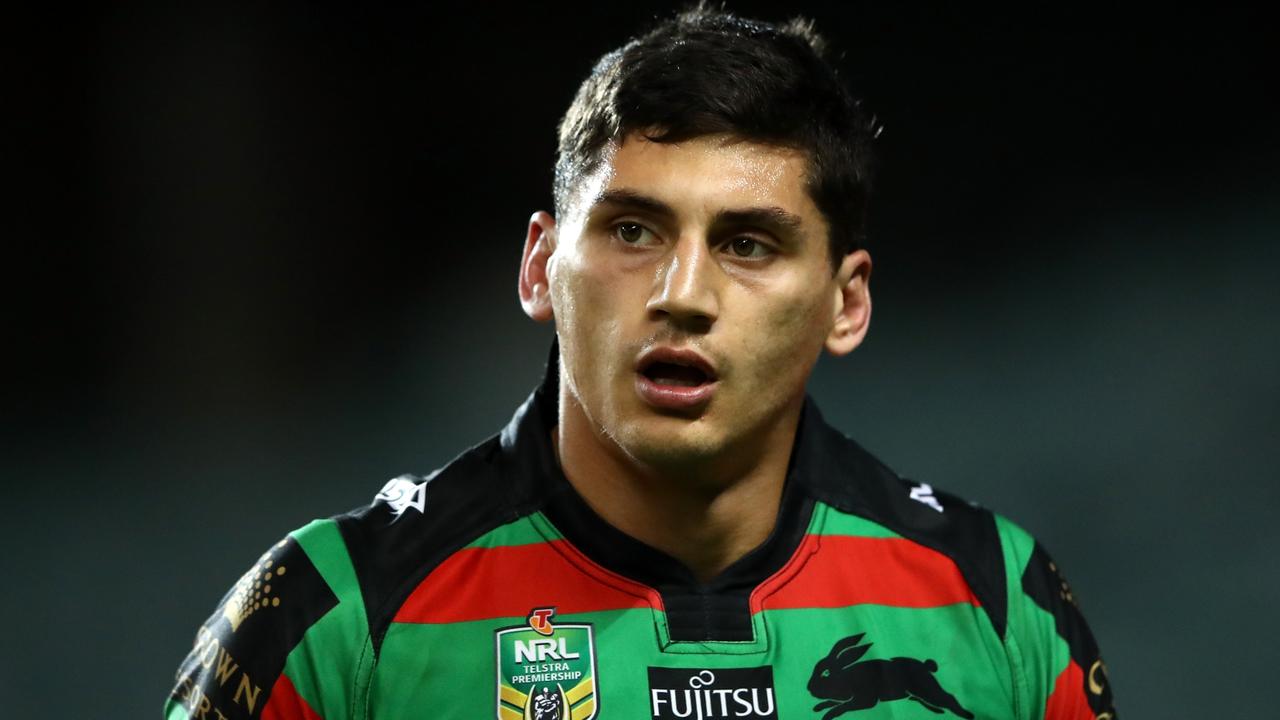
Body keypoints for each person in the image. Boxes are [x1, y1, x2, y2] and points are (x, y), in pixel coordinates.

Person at [166, 6, 1117, 720]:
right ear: (541, 266)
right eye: (632, 229)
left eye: (748, 244)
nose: (683, 292)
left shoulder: (998, 604)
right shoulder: (335, 619)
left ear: (845, 302)